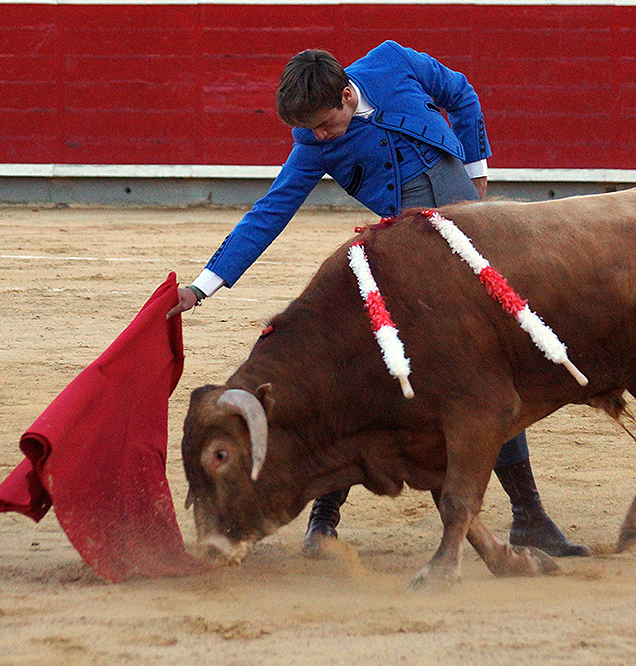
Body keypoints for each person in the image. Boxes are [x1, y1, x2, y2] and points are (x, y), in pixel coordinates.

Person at [169, 41, 588, 559]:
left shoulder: (393, 62)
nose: (316, 137)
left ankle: (528, 517)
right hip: (411, 264)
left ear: (348, 93)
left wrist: (477, 169)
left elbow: (461, 94)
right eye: (310, 131)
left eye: (325, 125)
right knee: (369, 380)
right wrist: (202, 286)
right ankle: (327, 515)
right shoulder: (312, 144)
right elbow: (269, 212)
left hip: (477, 239)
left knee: (488, 370)